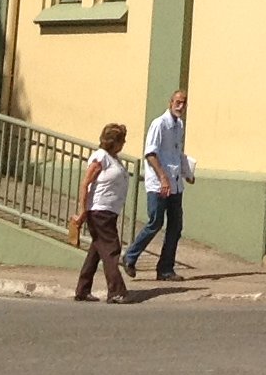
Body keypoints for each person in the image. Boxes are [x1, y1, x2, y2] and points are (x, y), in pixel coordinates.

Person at [122, 88, 191, 279]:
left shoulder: (179, 126)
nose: (181, 106)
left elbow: (176, 153)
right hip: (159, 183)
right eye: (178, 102)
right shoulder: (159, 124)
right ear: (170, 103)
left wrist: (187, 172)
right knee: (155, 221)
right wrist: (162, 177)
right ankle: (130, 255)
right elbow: (150, 153)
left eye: (184, 103)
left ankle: (165, 269)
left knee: (175, 226)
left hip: (176, 183)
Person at [72, 121, 131, 302]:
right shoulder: (100, 157)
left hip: (108, 211)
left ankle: (82, 289)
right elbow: (85, 184)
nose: (124, 144)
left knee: (97, 250)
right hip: (99, 210)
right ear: (114, 142)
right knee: (111, 249)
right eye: (122, 140)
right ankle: (116, 291)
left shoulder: (114, 158)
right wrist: (82, 211)